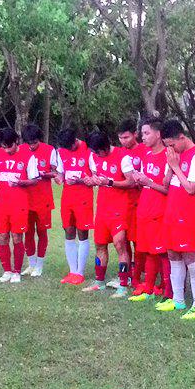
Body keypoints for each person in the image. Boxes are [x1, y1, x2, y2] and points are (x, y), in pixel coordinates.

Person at [155, 119, 195, 319]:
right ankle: (177, 300)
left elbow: (191, 188)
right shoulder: (176, 156)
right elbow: (166, 184)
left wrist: (176, 166)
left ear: (182, 137)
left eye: (172, 144)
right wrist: (170, 166)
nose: (170, 148)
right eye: (167, 145)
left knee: (189, 256)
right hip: (172, 210)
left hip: (187, 213)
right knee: (172, 254)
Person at [82, 130, 136, 296]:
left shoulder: (123, 157)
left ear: (105, 147)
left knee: (120, 244)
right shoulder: (94, 157)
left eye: (98, 151)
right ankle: (99, 282)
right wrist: (91, 181)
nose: (96, 154)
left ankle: (123, 285)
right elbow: (94, 176)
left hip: (119, 209)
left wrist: (110, 182)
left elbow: (131, 181)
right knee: (99, 244)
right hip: (103, 208)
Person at [127, 118, 172, 302]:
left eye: (146, 133)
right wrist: (140, 181)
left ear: (158, 134)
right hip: (144, 207)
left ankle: (166, 288)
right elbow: (147, 183)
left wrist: (149, 182)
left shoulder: (169, 156)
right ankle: (149, 286)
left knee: (161, 251)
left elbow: (168, 189)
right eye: (142, 133)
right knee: (147, 249)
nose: (143, 137)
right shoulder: (146, 155)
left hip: (159, 209)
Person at [0, 127, 38, 283]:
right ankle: (7, 271)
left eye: (9, 146)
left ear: (16, 141)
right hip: (2, 202)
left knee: (17, 236)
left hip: (19, 203)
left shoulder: (28, 156)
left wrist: (21, 182)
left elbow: (34, 180)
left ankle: (17, 271)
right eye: (3, 146)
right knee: (2, 236)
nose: (6, 150)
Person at [55, 127, 93, 284]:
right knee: (68, 230)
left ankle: (80, 272)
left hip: (83, 196)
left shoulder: (88, 149)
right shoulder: (62, 151)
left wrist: (80, 179)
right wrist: (59, 178)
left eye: (70, 146)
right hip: (67, 196)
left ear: (75, 140)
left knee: (82, 232)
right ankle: (72, 271)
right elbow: (60, 173)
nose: (69, 150)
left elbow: (95, 175)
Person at [21, 123, 57, 277]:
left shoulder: (49, 150)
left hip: (43, 198)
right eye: (29, 143)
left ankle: (40, 265)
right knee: (27, 232)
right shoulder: (21, 150)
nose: (31, 146)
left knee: (42, 232)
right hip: (25, 198)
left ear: (39, 140)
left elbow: (55, 173)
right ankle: (31, 264)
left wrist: (42, 174)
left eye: (34, 142)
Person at [116, 119, 144, 288]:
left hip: (139, 201)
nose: (123, 141)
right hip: (122, 203)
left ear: (135, 134)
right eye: (120, 138)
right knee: (122, 238)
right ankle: (128, 269)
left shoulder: (144, 151)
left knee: (138, 239)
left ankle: (139, 272)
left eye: (126, 137)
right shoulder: (119, 153)